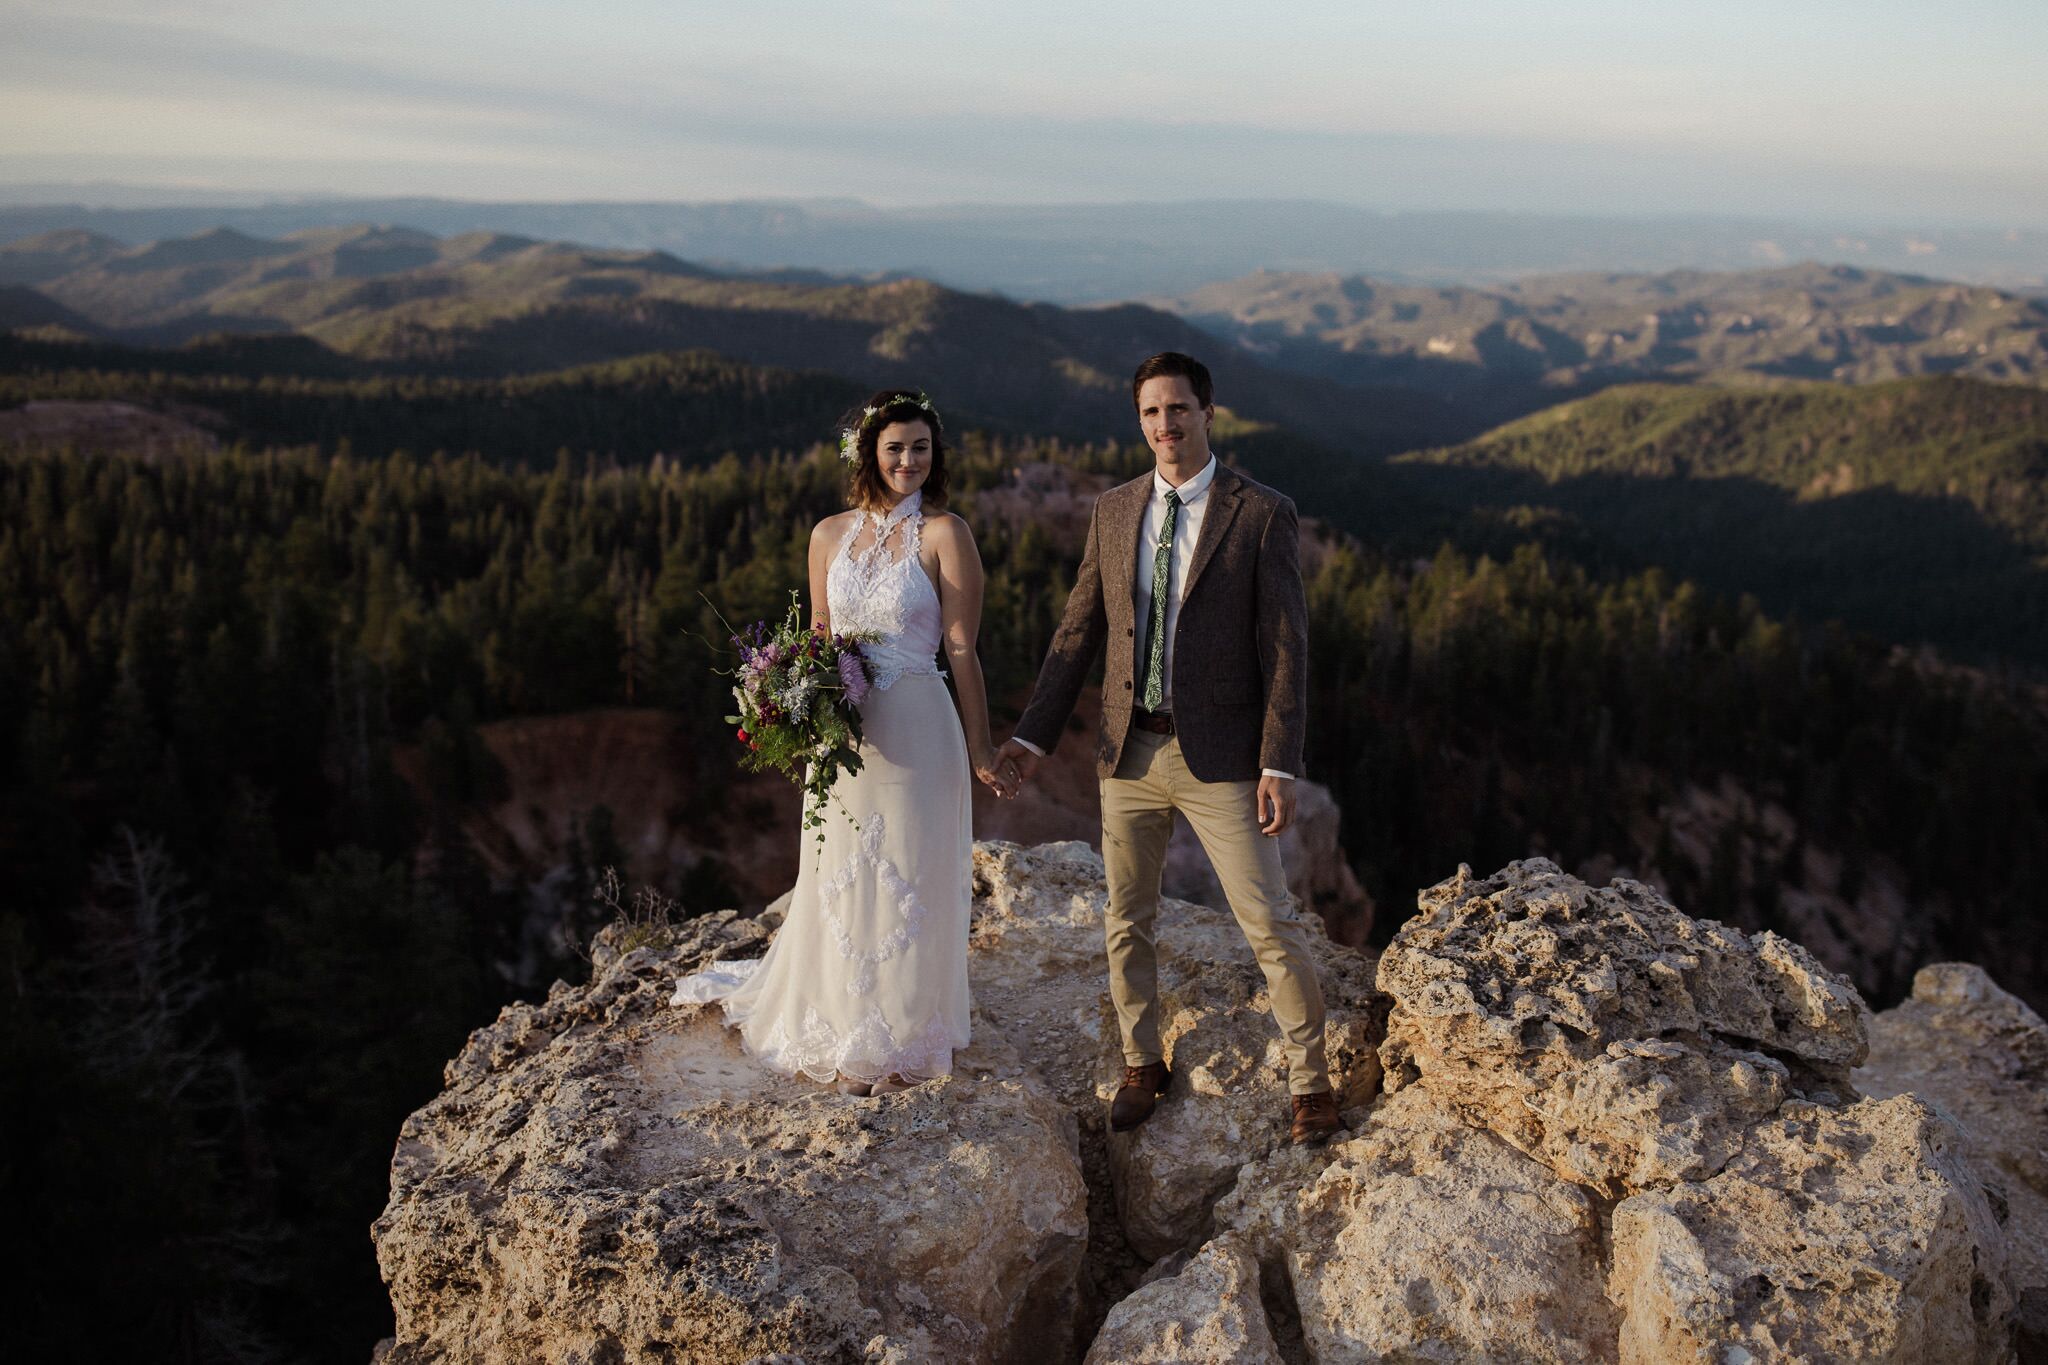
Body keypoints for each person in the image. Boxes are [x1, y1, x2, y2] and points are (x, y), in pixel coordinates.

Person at [994, 351, 1340, 1145]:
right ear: (1139, 419)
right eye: (1151, 412)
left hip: (1220, 757)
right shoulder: (1114, 511)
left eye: (1179, 409)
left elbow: (1286, 647)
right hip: (1130, 753)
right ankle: (1142, 1062)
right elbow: (1078, 630)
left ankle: (1311, 1083)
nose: (1165, 425)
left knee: (1269, 921)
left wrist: (1277, 761)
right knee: (1127, 918)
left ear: (1208, 413)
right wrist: (1031, 736)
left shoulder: (1260, 512)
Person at [672, 389, 1013, 1096]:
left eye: (922, 447)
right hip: (847, 731)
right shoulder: (827, 535)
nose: (909, 460)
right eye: (895, 448)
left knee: (909, 871)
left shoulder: (946, 534)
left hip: (920, 719)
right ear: (869, 453)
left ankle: (902, 1034)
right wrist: (800, 723)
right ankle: (843, 1018)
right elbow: (820, 643)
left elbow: (962, 649)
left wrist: (982, 748)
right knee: (843, 867)